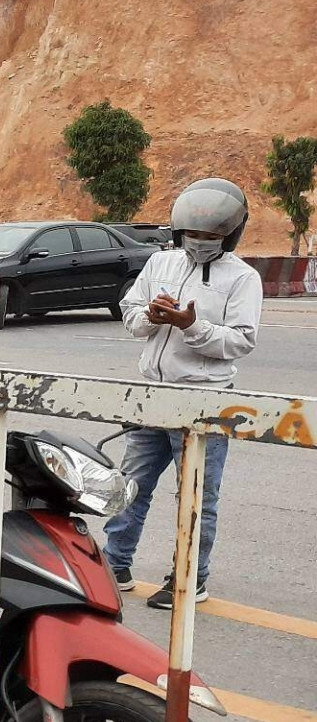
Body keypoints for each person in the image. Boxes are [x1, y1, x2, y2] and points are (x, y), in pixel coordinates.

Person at [106, 178, 262, 609]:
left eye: (210, 235)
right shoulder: (161, 262)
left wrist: (192, 326)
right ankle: (115, 564)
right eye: (192, 233)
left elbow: (241, 341)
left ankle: (190, 577)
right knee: (131, 486)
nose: (199, 241)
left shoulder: (243, 278)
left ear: (230, 234)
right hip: (152, 396)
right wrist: (152, 316)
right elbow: (130, 312)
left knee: (196, 496)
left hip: (204, 401)